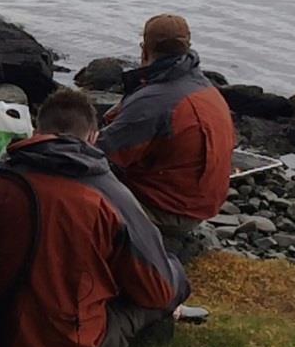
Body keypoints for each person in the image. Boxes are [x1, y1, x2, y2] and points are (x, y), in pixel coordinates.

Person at [0, 88, 189, 347]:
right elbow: (158, 289)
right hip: (66, 346)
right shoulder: (110, 195)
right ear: (93, 138)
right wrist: (178, 278)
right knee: (163, 289)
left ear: (37, 131)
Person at [97, 14, 236, 250]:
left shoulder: (156, 101)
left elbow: (101, 154)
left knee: (71, 187)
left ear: (145, 49)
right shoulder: (204, 88)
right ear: (188, 47)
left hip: (168, 211)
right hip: (201, 204)